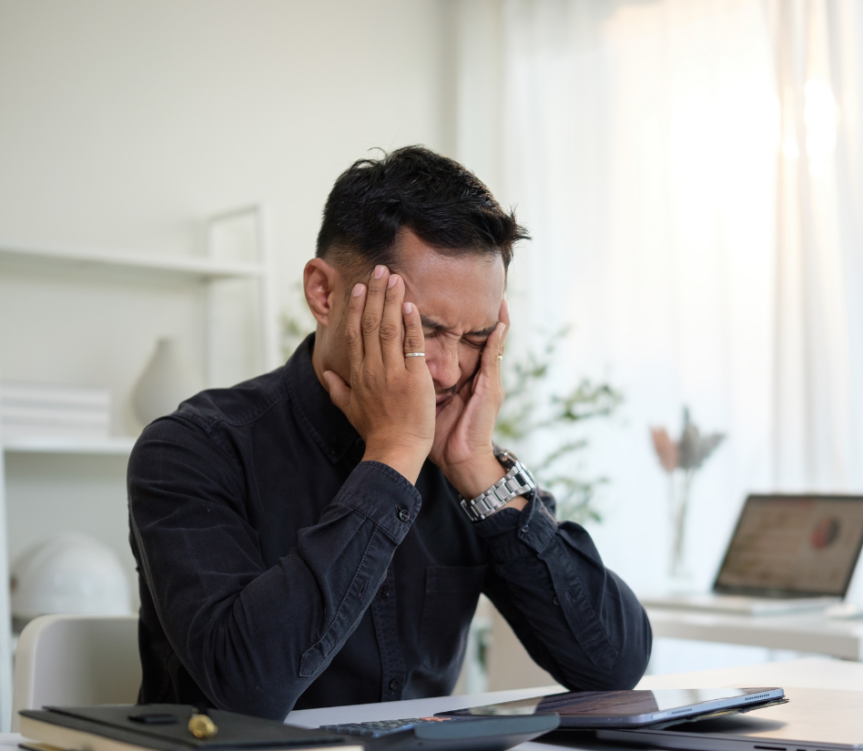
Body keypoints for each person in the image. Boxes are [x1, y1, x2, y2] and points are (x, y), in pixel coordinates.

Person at [127, 146, 651, 721]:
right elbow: (249, 689)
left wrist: (477, 468)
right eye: (422, 328)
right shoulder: (194, 449)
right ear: (324, 295)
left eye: (476, 338)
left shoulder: (463, 463)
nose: (449, 371)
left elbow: (612, 667)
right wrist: (395, 456)